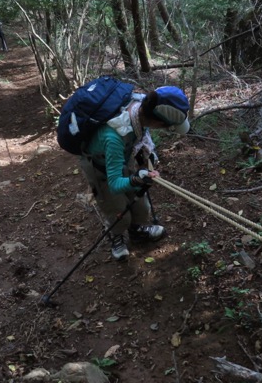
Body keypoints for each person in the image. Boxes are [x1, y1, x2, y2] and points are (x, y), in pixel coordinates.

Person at [79, 86, 190, 260]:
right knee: (117, 210)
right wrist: (137, 178)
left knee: (141, 206)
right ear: (157, 122)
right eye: (167, 127)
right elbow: (115, 184)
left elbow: (142, 140)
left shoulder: (140, 107)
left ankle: (137, 232)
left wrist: (148, 158)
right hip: (100, 167)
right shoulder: (114, 136)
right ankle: (116, 235)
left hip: (123, 156)